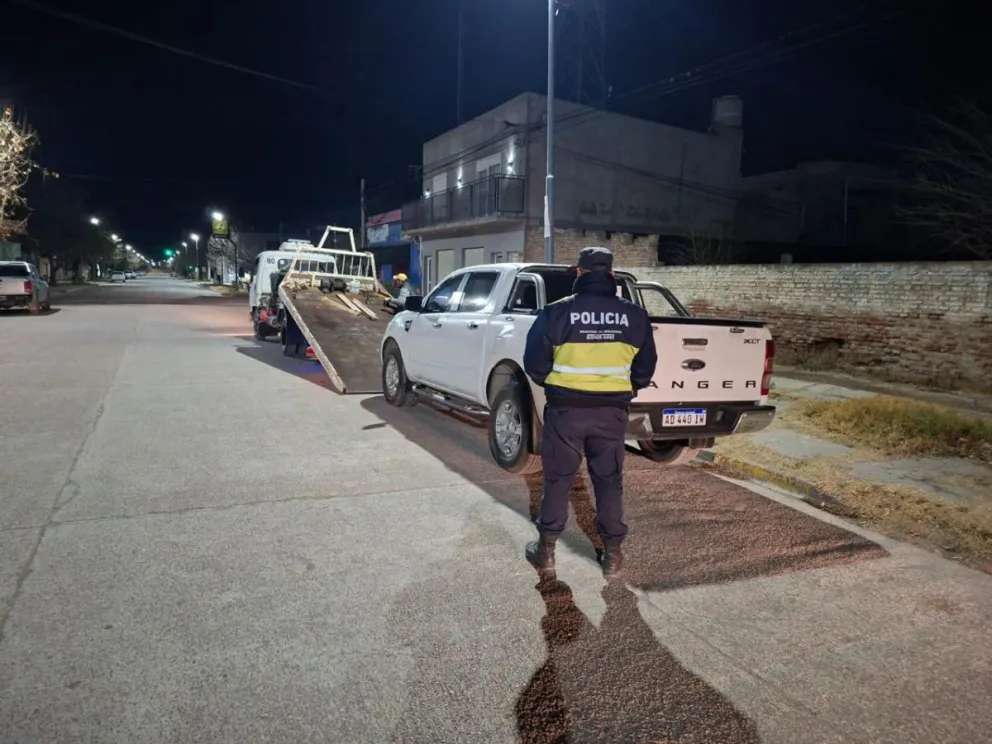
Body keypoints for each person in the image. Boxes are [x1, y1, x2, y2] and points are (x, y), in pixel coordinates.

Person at [522, 246, 658, 577]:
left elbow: (534, 365)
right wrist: (625, 390)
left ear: (579, 273)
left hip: (566, 412)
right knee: (609, 481)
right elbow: (646, 367)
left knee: (558, 480)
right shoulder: (634, 315)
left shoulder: (555, 312)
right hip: (611, 413)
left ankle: (547, 551)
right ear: (611, 275)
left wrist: (558, 383)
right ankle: (612, 556)